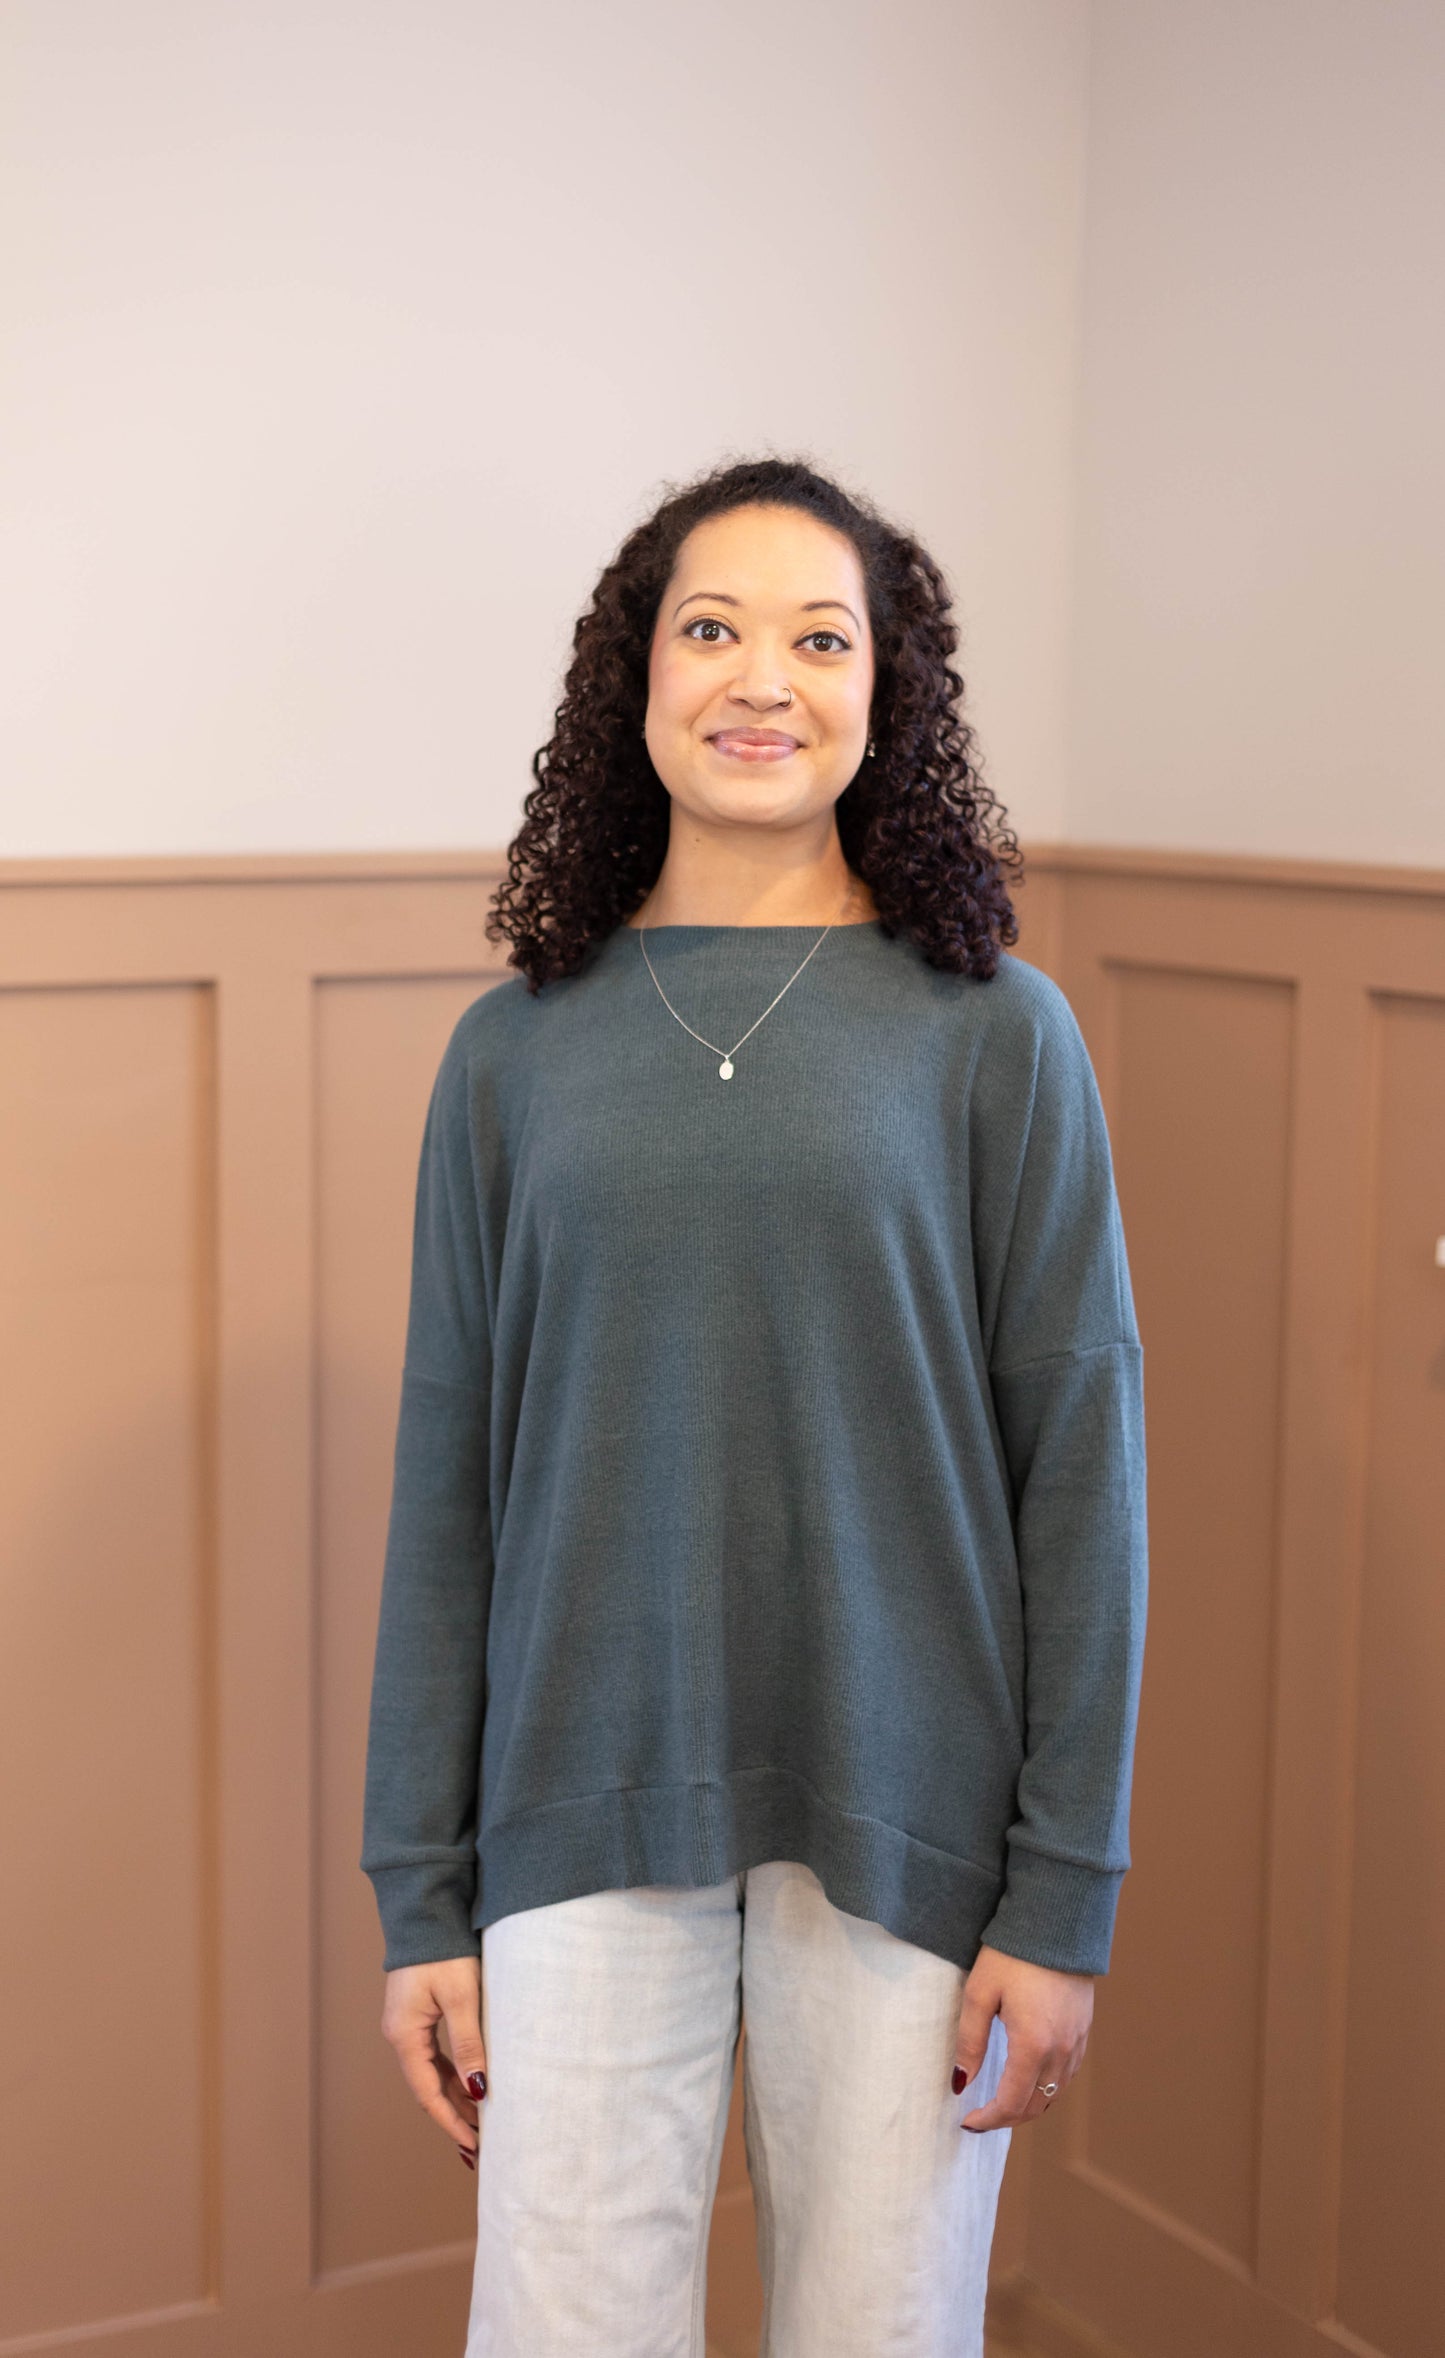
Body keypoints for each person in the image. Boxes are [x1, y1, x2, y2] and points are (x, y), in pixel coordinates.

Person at [361, 454, 1149, 2356]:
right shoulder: (511, 1052)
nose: (762, 678)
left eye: (820, 636)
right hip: (568, 1800)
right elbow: (447, 1486)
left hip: (906, 1811)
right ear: (635, 680)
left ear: (888, 694)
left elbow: (1082, 1473)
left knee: (878, 2330)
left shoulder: (992, 1034)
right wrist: (421, 1899)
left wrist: (1061, 1899)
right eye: (711, 629)